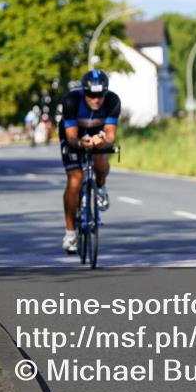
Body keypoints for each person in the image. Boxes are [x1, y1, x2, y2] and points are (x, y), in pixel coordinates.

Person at [59, 70, 121, 254]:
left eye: (100, 95)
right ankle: (70, 234)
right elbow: (71, 138)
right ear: (84, 93)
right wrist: (80, 143)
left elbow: (110, 136)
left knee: (101, 160)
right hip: (74, 135)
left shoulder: (112, 101)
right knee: (74, 180)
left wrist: (102, 141)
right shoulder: (71, 100)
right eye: (92, 96)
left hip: (97, 134)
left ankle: (100, 187)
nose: (96, 100)